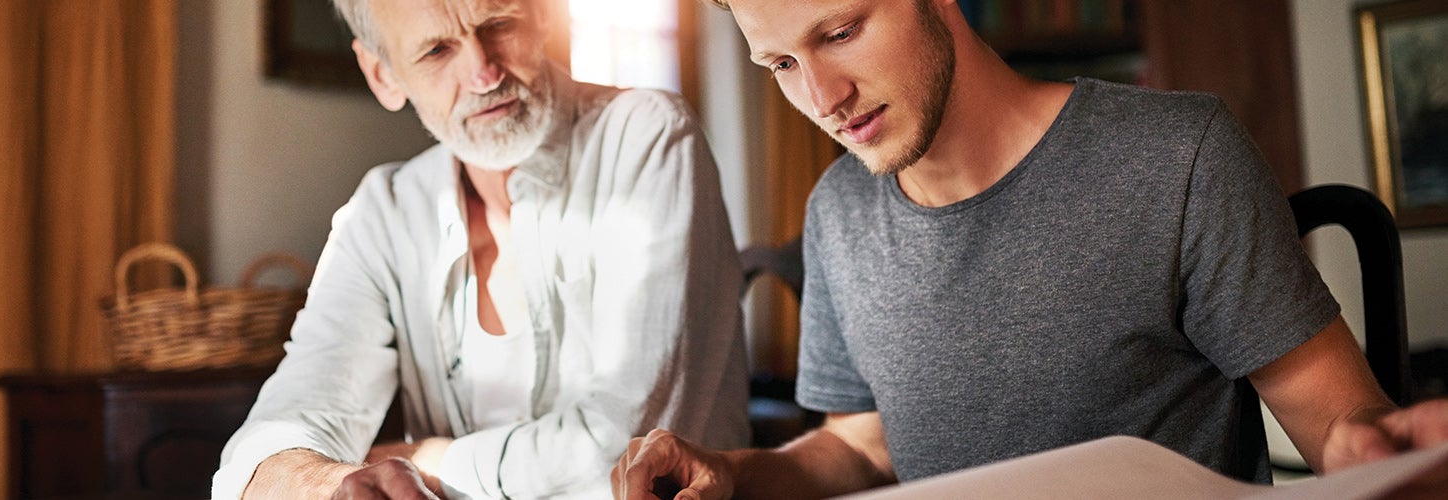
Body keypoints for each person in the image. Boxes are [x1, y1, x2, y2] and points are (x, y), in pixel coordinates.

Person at [611, 0, 1448, 498]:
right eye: (781, 63)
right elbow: (865, 443)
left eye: (841, 31)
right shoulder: (838, 213)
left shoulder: (1177, 158)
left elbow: (1339, 419)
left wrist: (1373, 448)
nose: (822, 97)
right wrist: (729, 473)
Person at [211, 0, 753, 497]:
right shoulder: (384, 211)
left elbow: (623, 450)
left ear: (542, 15)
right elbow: (274, 436)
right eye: (437, 50)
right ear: (383, 74)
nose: (483, 73)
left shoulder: (646, 135)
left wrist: (425, 460)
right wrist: (326, 483)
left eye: (498, 24)